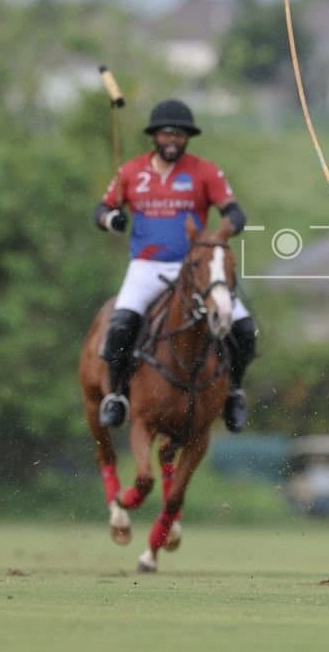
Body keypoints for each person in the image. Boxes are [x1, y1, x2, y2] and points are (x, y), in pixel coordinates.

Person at [93, 98, 257, 431]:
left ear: (187, 139)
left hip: (195, 270)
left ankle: (234, 392)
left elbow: (234, 211)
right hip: (146, 267)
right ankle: (117, 396)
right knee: (120, 326)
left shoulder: (204, 171)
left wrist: (228, 227)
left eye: (180, 135)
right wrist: (112, 219)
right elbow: (101, 210)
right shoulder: (131, 171)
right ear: (155, 135)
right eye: (167, 134)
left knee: (244, 329)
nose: (173, 141)